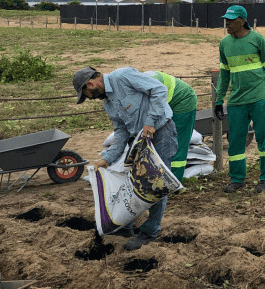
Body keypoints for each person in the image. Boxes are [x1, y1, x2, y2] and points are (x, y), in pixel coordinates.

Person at [73, 66, 178, 251]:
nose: (90, 98)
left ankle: (150, 232)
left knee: (156, 183)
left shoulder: (123, 76)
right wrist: (107, 159)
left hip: (161, 132)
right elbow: (121, 132)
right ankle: (125, 225)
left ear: (90, 83)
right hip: (139, 140)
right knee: (132, 182)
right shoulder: (108, 103)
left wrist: (150, 121)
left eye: (87, 94)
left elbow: (159, 89)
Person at [214, 5, 265, 193]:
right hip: (236, 102)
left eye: (231, 20)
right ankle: (237, 179)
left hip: (259, 99)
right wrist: (219, 101)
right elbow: (224, 74)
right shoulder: (224, 44)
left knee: (264, 139)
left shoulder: (258, 39)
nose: (227, 23)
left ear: (242, 21)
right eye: (226, 19)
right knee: (235, 141)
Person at [143, 71, 197, 182]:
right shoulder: (136, 85)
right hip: (167, 102)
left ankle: (174, 183)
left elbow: (155, 109)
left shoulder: (144, 87)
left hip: (183, 100)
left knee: (176, 143)